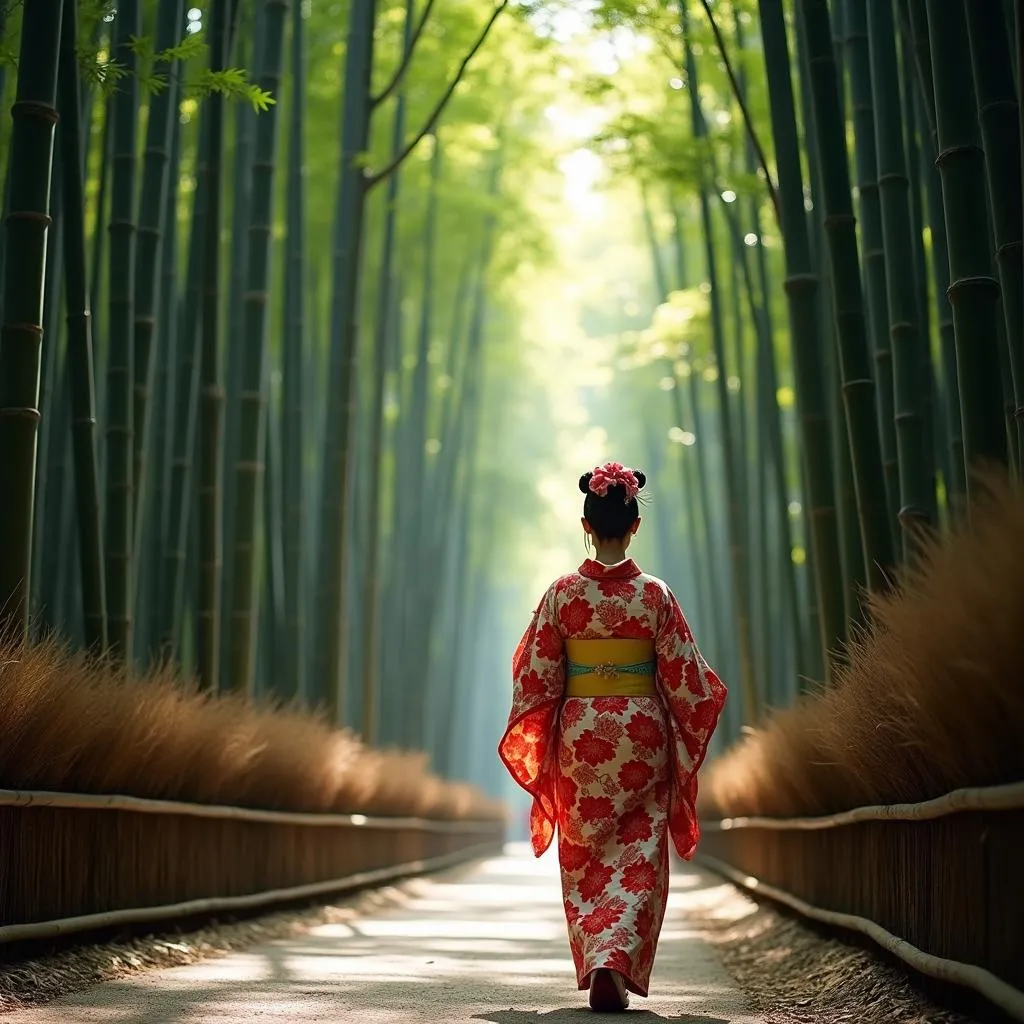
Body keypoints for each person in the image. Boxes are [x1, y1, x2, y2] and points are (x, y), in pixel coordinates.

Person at [498, 461, 727, 1012]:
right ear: (633, 527)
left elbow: (535, 676)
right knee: (641, 850)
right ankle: (617, 960)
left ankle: (600, 955)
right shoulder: (655, 597)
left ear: (586, 523)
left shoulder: (561, 596)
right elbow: (687, 680)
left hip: (582, 739)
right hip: (641, 733)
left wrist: (551, 725)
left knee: (586, 851)